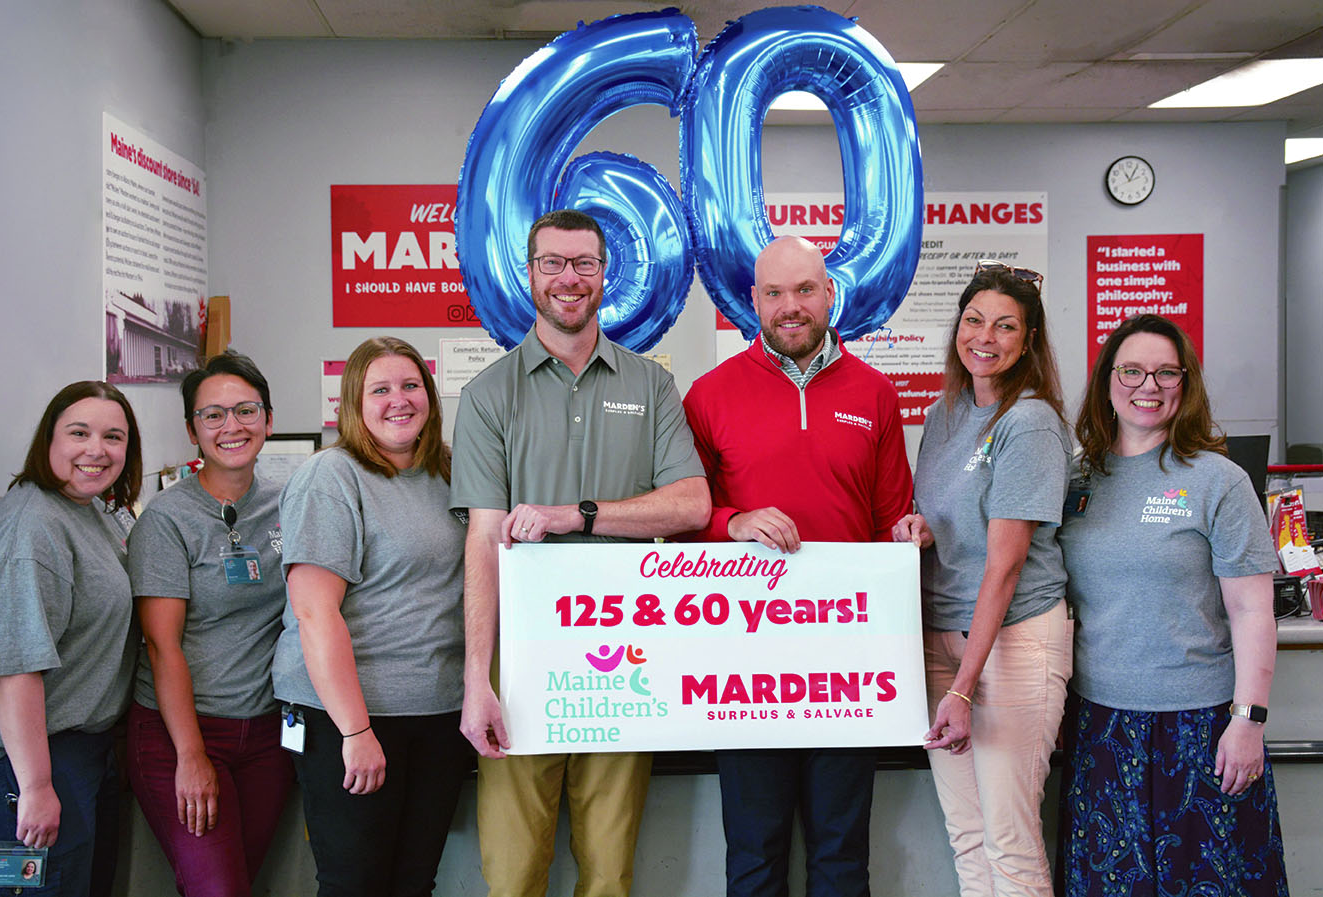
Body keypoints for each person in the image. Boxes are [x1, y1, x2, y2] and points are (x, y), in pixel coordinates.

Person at [451, 208, 710, 897]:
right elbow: (482, 538)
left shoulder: (648, 384)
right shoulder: (486, 395)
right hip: (520, 654)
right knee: (511, 871)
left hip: (623, 649)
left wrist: (580, 514)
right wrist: (478, 678)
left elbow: (692, 504)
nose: (569, 278)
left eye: (584, 264)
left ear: (604, 274)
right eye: (553, 263)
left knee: (609, 868)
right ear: (530, 274)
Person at [682, 235, 913, 897]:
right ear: (751, 301)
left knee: (841, 853)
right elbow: (680, 514)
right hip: (745, 664)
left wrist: (909, 534)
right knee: (754, 851)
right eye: (775, 293)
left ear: (828, 295)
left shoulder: (873, 393)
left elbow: (888, 522)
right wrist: (733, 521)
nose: (790, 306)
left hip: (847, 665)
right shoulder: (708, 395)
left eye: (804, 290)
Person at [1057, 314, 1288, 896]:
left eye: (1166, 372)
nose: (1148, 385)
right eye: (1132, 370)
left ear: (1185, 385)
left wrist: (1248, 720)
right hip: (1100, 724)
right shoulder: (1078, 477)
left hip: (1202, 725)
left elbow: (1253, 611)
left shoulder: (1218, 481)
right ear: (1108, 379)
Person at [892, 261, 1071, 897]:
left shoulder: (1031, 423)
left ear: (1028, 341)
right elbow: (951, 518)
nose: (984, 337)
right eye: (973, 320)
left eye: (1004, 326)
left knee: (1009, 839)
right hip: (943, 637)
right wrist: (922, 529)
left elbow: (1007, 562)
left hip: (1011, 645)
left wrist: (964, 689)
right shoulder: (945, 414)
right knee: (967, 835)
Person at [273, 336, 474, 897]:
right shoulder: (331, 477)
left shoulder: (448, 472)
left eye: (411, 385)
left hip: (435, 712)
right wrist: (355, 731)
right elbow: (314, 613)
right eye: (379, 389)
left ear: (430, 396)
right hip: (348, 717)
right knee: (354, 884)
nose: (398, 400)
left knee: (414, 882)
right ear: (352, 405)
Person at [0, 381, 143, 897]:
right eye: (78, 433)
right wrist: (35, 787)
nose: (96, 450)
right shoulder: (30, 528)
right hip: (19, 764)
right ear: (48, 441)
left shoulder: (88, 509)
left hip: (77, 750)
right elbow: (14, 666)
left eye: (113, 436)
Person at [125, 352, 293, 896]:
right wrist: (191, 756)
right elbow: (160, 644)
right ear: (192, 431)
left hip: (268, 733)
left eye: (246, 410)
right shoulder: (167, 520)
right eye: (213, 415)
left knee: (236, 880)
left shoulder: (290, 503)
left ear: (268, 419)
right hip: (185, 733)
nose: (231, 427)